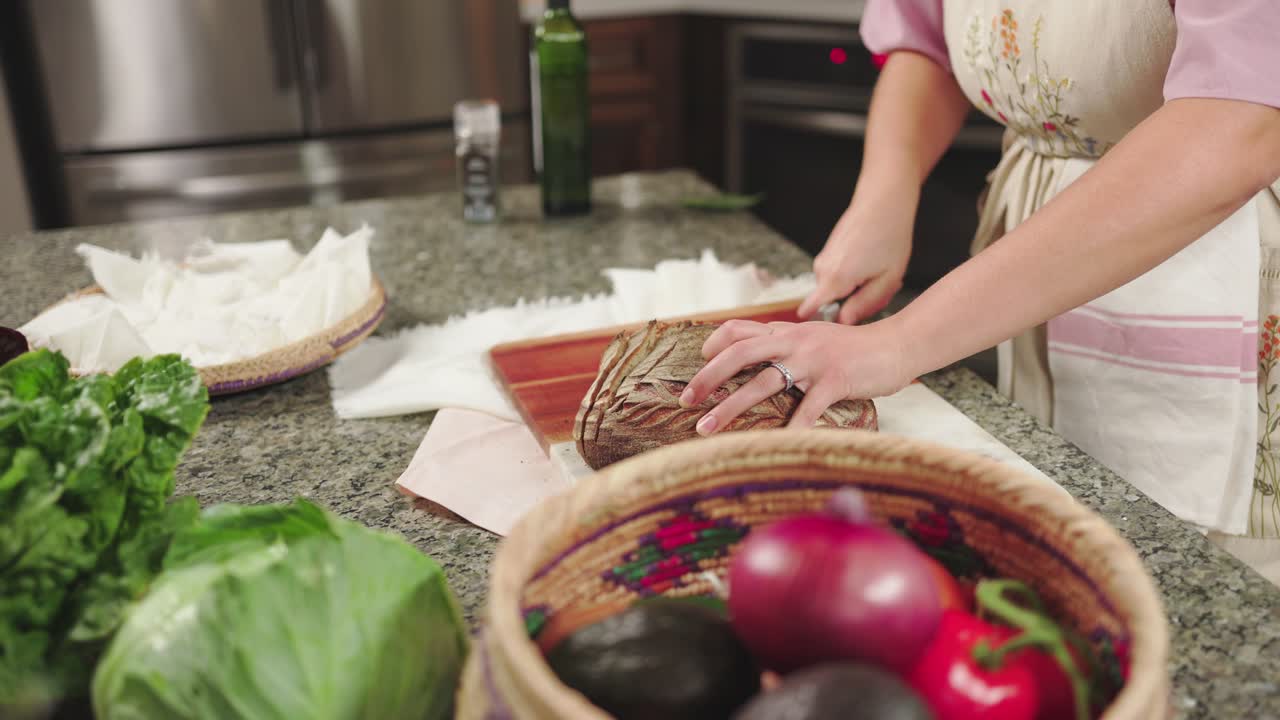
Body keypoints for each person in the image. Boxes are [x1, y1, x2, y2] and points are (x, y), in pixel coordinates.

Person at [679, 0, 1280, 582]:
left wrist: (899, 342)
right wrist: (886, 191)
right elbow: (927, 40)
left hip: (1220, 262)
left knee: (1204, 595)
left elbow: (1238, 123)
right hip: (1033, 284)